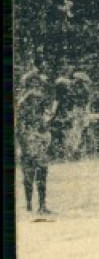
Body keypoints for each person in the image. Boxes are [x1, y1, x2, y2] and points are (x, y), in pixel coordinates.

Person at [17, 69, 55, 218]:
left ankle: (35, 205)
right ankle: (37, 205)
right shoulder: (27, 101)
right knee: (35, 172)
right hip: (31, 140)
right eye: (36, 83)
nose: (39, 87)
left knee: (34, 173)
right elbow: (21, 125)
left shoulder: (30, 101)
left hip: (34, 140)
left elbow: (44, 120)